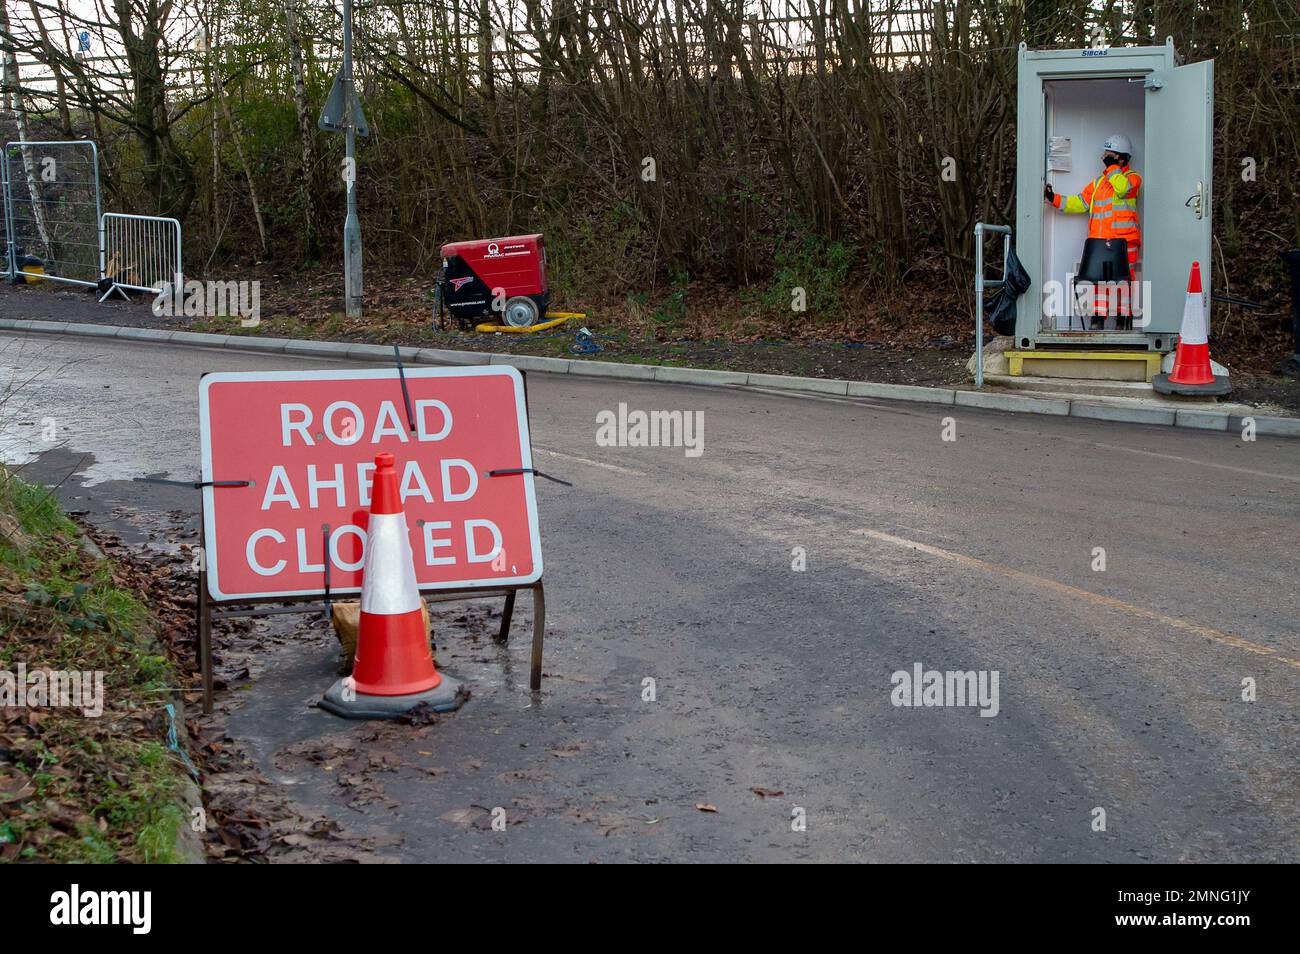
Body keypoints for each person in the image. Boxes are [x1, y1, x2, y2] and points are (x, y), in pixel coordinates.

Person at [1044, 134, 1142, 327]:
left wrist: (1112, 168)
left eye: (1110, 155)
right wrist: (1054, 198)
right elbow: (1080, 202)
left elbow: (1122, 189)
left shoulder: (1133, 179)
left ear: (1122, 158)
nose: (1105, 158)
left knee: (1123, 283)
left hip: (1124, 243)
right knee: (1098, 283)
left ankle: (1123, 320)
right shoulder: (1099, 183)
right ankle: (1098, 319)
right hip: (1098, 245)